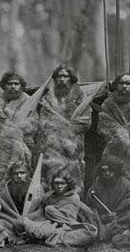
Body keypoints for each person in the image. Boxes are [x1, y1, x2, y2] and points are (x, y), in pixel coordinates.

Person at [37, 65, 91, 193]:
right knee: (51, 183)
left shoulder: (81, 100)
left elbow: (85, 122)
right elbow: (43, 123)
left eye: (65, 76)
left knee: (73, 183)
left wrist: (61, 126)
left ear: (71, 79)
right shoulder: (47, 101)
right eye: (59, 76)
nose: (62, 79)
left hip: (72, 151)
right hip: (52, 151)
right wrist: (65, 125)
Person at [0, 72, 38, 190]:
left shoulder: (29, 102)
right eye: (9, 84)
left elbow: (33, 124)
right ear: (4, 86)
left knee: (17, 177)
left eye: (16, 84)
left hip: (20, 147)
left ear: (21, 86)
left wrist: (12, 128)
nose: (13, 86)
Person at [98, 73, 130, 190]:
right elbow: (104, 125)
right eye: (121, 83)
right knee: (112, 177)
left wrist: (125, 132)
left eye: (128, 83)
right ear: (116, 85)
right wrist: (120, 135)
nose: (124, 86)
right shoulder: (108, 104)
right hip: (114, 146)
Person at [19, 168, 98, 247]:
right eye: (57, 183)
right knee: (32, 226)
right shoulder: (49, 196)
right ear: (53, 184)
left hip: (68, 227)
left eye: (62, 183)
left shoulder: (74, 197)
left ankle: (47, 237)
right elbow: (41, 211)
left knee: (90, 232)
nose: (59, 186)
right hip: (48, 224)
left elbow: (68, 219)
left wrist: (50, 211)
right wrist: (28, 217)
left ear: (68, 184)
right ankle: (53, 238)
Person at [85, 156, 130, 241]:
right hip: (100, 223)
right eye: (104, 170)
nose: (107, 173)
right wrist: (103, 217)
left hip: (120, 223)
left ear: (117, 171)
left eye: (111, 170)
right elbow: (88, 208)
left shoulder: (127, 186)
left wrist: (118, 218)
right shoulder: (96, 186)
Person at [0, 161, 44, 244]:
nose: (19, 176)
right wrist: (16, 219)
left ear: (28, 173)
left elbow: (41, 209)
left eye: (22, 173)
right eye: (16, 173)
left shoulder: (37, 187)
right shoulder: (7, 189)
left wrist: (29, 217)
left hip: (32, 220)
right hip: (11, 221)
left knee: (43, 225)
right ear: (11, 175)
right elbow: (4, 209)